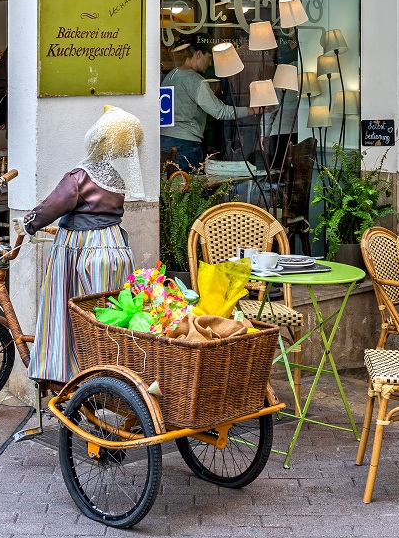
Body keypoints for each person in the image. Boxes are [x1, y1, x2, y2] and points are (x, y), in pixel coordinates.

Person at [23, 106, 145, 383]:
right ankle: (112, 373)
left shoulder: (79, 176)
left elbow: (52, 207)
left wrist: (29, 224)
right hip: (115, 246)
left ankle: (69, 372)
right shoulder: (115, 178)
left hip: (81, 248)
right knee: (107, 317)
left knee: (70, 313)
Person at [160, 37, 256, 172]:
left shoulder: (170, 76)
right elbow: (219, 111)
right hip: (185, 144)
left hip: (164, 141)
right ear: (198, 54)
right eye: (209, 58)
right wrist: (253, 110)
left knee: (170, 184)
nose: (210, 63)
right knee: (188, 184)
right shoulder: (195, 80)